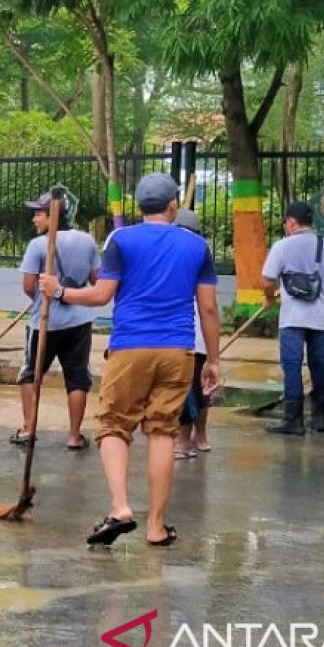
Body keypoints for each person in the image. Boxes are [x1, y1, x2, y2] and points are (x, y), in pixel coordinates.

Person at [40, 173, 220, 547]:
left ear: (140, 206)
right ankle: (156, 527)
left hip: (130, 346)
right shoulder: (198, 246)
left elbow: (102, 295)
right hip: (178, 351)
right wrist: (213, 360)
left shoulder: (121, 239)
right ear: (173, 206)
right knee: (162, 432)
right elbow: (209, 308)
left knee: (113, 427)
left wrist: (59, 291)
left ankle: (121, 507)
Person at [12, 191, 100, 450]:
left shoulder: (37, 245)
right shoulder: (87, 241)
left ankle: (28, 428)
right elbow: (96, 280)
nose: (34, 219)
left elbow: (29, 286)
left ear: (54, 216)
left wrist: (44, 298)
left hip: (44, 323)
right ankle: (74, 436)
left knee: (30, 375)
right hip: (79, 321)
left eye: (39, 213)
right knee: (77, 378)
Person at [261, 201, 324, 435]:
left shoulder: (282, 247)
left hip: (292, 319)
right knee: (319, 367)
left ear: (291, 222)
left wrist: (271, 296)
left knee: (292, 367)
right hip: (321, 318)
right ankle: (320, 420)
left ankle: (293, 421)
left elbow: (267, 280)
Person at [172, 209, 213, 459]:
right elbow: (209, 306)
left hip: (178, 333)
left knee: (185, 390)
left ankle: (181, 442)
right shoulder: (200, 249)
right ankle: (200, 436)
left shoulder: (169, 249)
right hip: (199, 333)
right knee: (201, 387)